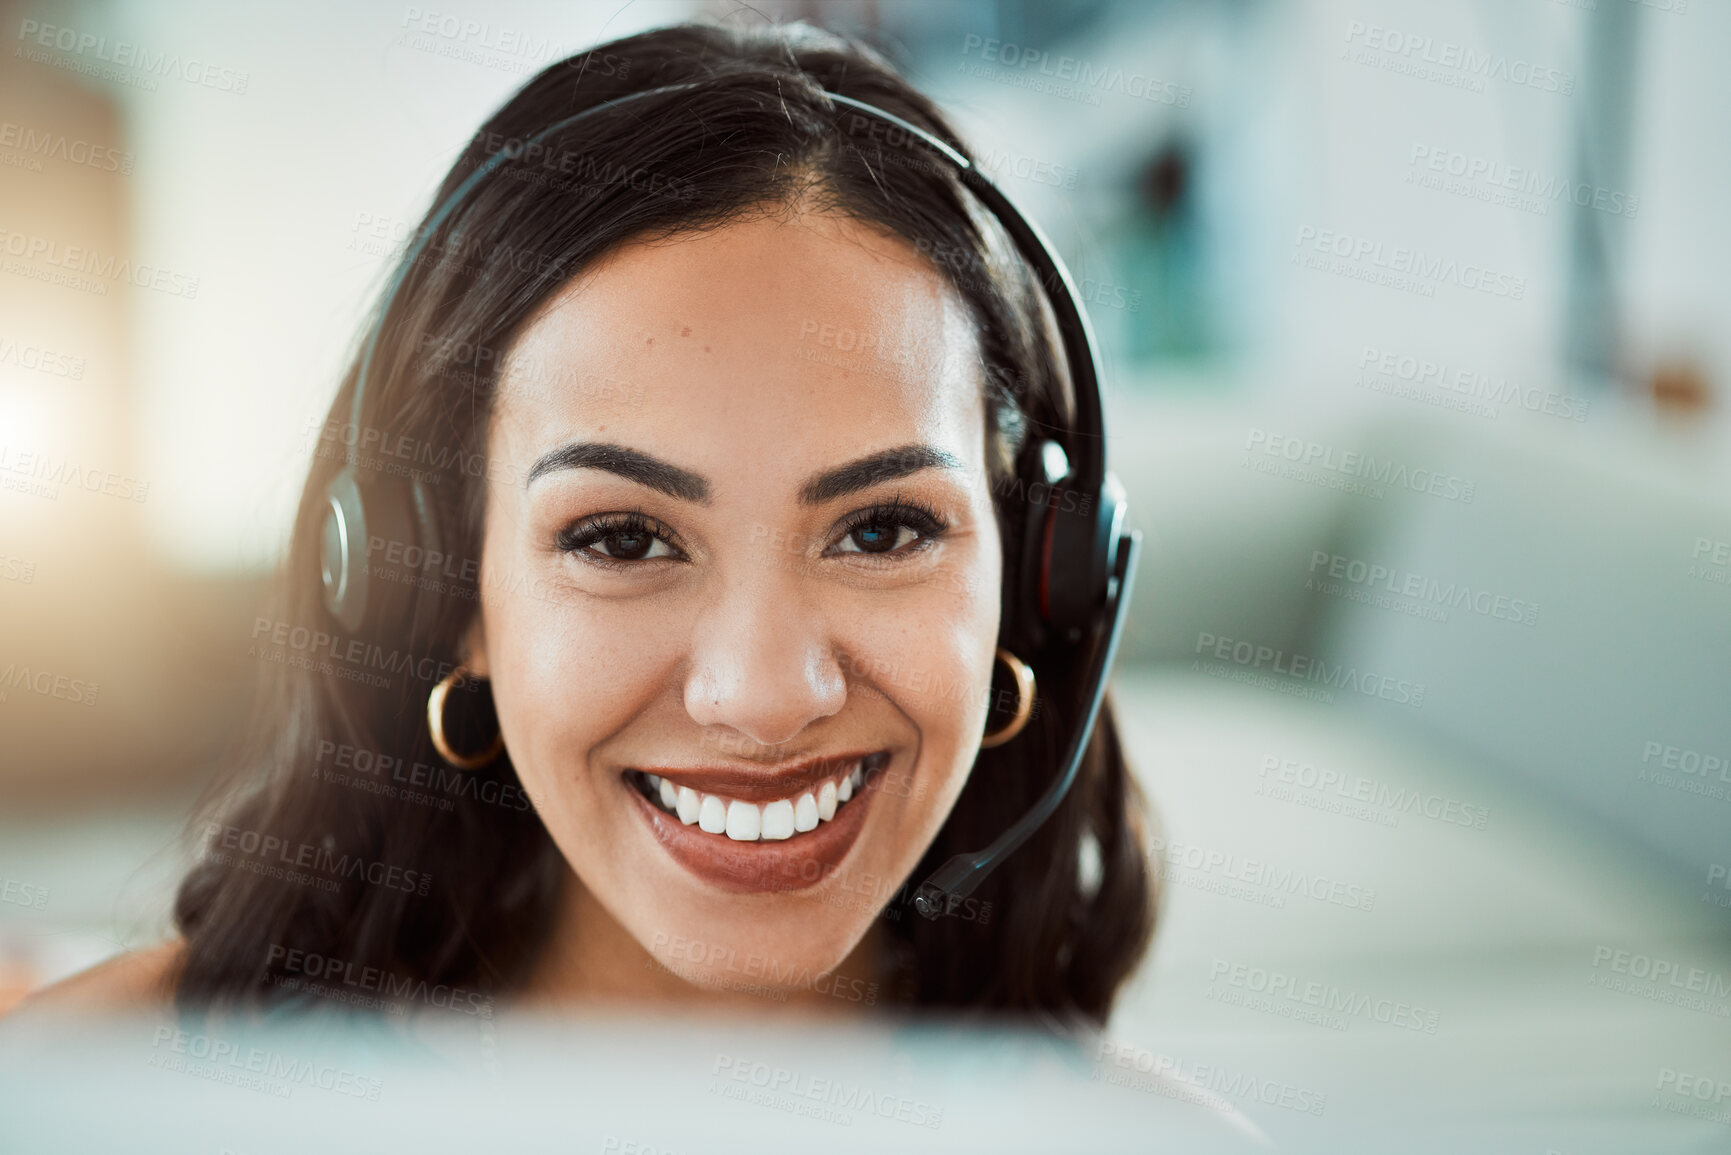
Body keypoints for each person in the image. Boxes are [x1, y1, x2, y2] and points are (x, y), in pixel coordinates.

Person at [19, 20, 1155, 1026]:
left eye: (883, 531)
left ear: (1039, 575)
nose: (763, 700)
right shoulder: (97, 1090)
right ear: (439, 585)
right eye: (622, 539)